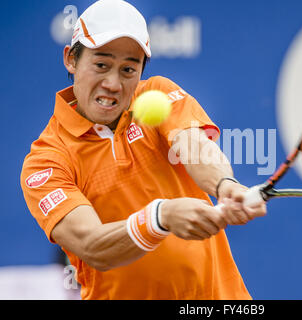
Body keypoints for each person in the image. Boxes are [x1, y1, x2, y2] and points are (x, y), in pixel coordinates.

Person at [20, 0, 266, 300]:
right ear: (71, 60)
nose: (113, 83)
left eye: (128, 69)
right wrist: (159, 218)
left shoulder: (157, 93)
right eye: (101, 65)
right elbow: (92, 245)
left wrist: (224, 184)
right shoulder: (46, 161)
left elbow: (194, 146)